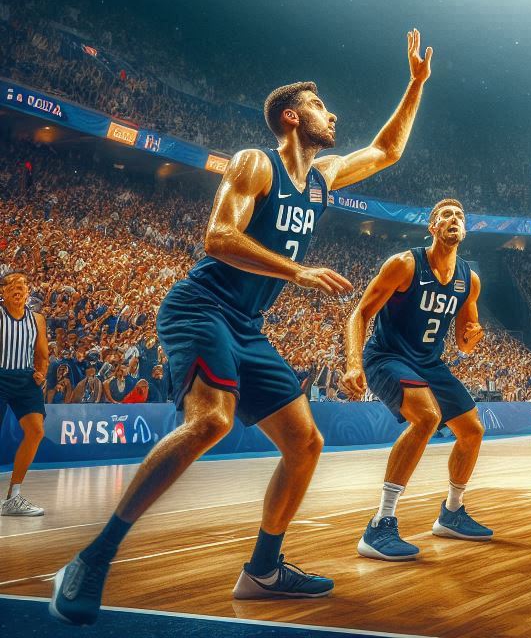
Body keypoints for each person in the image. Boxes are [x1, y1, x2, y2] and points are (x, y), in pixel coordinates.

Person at [52, 31, 433, 626]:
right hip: (201, 306)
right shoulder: (257, 163)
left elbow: (386, 151)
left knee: (305, 443)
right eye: (318, 104)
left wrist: (414, 85)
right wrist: (298, 270)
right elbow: (218, 238)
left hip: (246, 325)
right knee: (211, 419)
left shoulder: (323, 177)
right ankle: (93, 558)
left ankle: (263, 569)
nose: (330, 113)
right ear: (291, 116)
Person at [343, 198, 491, 560]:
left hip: (428, 361)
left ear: (465, 229)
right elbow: (359, 313)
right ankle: (381, 524)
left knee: (472, 431)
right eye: (446, 215)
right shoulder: (405, 265)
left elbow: (462, 341)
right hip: (387, 356)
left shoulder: (468, 281)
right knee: (426, 417)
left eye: (460, 215)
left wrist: (471, 339)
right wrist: (352, 363)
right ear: (433, 226)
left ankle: (452, 513)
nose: (454, 219)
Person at [0, 272, 47, 517]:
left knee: (36, 431)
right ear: (3, 292)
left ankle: (13, 497)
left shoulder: (37, 319)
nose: (18, 289)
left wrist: (41, 372)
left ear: (28, 291)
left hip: (25, 379)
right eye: (12, 286)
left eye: (22, 285)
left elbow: (42, 354)